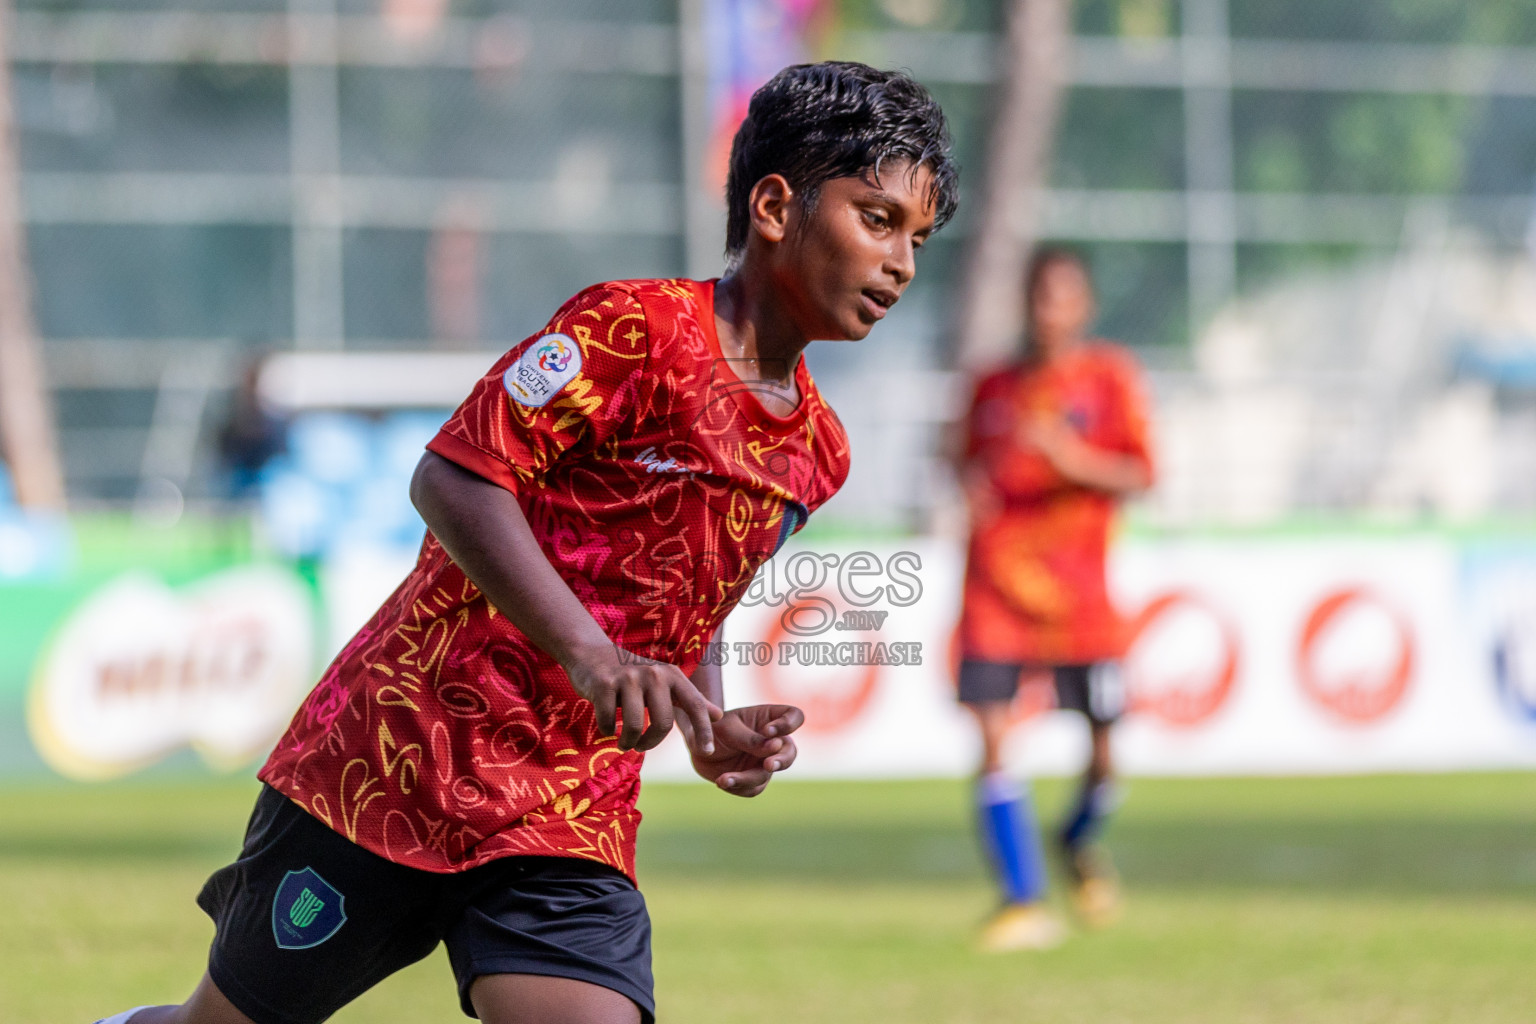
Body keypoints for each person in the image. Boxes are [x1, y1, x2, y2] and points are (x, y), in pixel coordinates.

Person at [94, 62, 957, 1024]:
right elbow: (455, 477)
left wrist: (711, 725)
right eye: (877, 219)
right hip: (397, 756)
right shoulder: (632, 331)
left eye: (919, 239)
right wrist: (588, 652)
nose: (902, 264)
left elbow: (693, 601)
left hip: (567, 809)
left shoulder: (818, 451)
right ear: (772, 205)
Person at [955, 247, 1155, 952]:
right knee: (991, 736)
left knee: (1104, 756)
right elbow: (961, 459)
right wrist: (971, 491)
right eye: (1039, 295)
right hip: (997, 594)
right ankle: (1022, 899)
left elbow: (1143, 475)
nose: (1049, 310)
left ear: (1084, 306)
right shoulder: (992, 387)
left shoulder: (1109, 380)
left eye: (1062, 296)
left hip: (1081, 602)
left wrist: (1072, 462)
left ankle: (1076, 838)